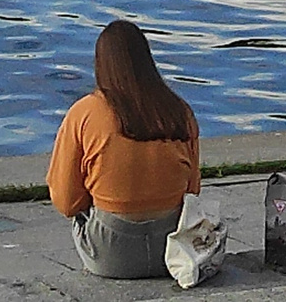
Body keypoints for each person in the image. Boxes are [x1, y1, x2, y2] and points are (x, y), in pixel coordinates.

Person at [48, 20, 201, 279]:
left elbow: (67, 202)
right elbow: (193, 190)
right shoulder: (179, 111)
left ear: (101, 64)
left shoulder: (84, 113)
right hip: (174, 250)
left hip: (111, 256)